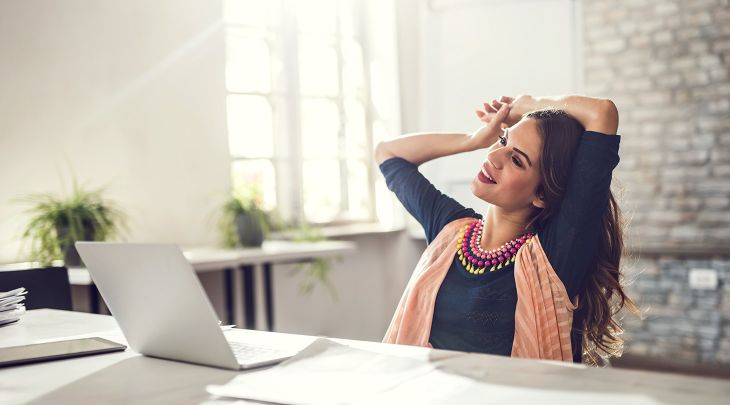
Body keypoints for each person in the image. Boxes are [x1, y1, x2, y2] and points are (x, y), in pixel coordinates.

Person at [375, 94, 639, 364]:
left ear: (543, 195)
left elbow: (602, 113)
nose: (495, 156)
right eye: (503, 141)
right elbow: (387, 153)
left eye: (517, 160)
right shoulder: (450, 231)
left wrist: (527, 105)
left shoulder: (555, 256)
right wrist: (473, 140)